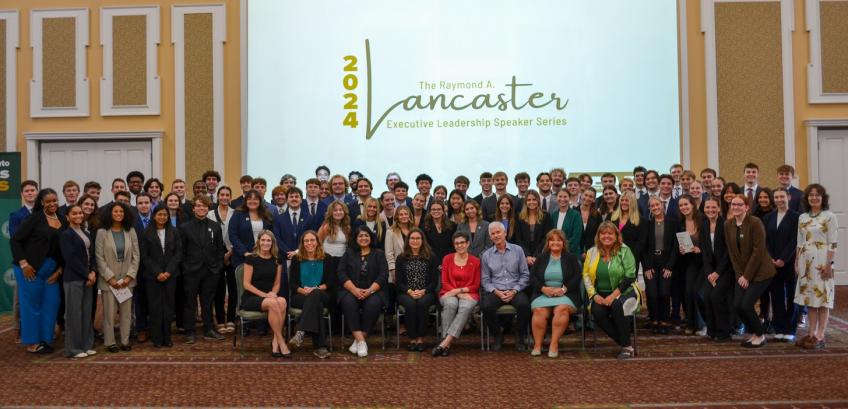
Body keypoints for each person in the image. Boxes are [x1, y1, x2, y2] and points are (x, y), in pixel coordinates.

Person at [11, 188, 66, 353]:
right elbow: (15, 240)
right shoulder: (34, 219)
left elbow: (64, 249)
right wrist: (23, 264)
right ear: (41, 203)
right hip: (30, 269)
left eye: (54, 200)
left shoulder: (64, 220)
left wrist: (59, 271)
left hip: (52, 271)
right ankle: (32, 342)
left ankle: (45, 339)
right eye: (48, 201)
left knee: (52, 303)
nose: (52, 204)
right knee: (31, 306)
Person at [583, 221, 639, 359]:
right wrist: (594, 295)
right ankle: (624, 342)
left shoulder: (624, 250)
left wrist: (613, 296)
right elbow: (585, 275)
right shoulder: (592, 252)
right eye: (603, 233)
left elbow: (630, 276)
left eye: (610, 233)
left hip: (624, 292)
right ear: (598, 236)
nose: (606, 236)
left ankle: (626, 346)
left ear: (616, 235)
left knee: (616, 306)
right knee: (597, 311)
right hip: (600, 294)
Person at [725, 194, 775, 348]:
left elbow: (758, 251)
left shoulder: (755, 222)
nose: (736, 207)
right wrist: (740, 275)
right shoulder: (728, 224)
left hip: (761, 272)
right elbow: (732, 253)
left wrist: (747, 276)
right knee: (737, 305)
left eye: (740, 204)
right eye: (733, 204)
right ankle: (755, 332)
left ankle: (760, 335)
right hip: (742, 274)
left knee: (746, 305)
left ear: (747, 207)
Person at [794, 184, 838, 350]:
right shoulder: (803, 217)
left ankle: (820, 335)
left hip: (822, 262)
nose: (814, 198)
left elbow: (833, 243)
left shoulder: (829, 216)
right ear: (807, 198)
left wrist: (829, 264)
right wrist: (797, 260)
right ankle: (811, 333)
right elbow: (799, 241)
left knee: (823, 299)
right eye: (811, 195)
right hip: (806, 262)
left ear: (823, 198)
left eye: (817, 195)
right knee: (810, 299)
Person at [179, 196, 227, 343]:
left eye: (205, 206)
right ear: (193, 208)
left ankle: (209, 330)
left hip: (210, 271)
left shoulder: (215, 226)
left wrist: (218, 266)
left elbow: (220, 249)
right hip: (191, 271)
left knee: (207, 302)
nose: (202, 208)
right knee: (189, 303)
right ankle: (190, 332)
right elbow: (181, 251)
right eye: (199, 206)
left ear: (208, 208)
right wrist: (186, 267)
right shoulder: (184, 227)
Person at [95, 201, 140, 352]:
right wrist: (110, 278)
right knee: (109, 313)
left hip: (127, 279)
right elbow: (99, 257)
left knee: (126, 313)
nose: (119, 214)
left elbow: (136, 256)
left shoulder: (130, 231)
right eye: (116, 212)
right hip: (109, 280)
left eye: (121, 212)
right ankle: (110, 342)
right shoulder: (102, 232)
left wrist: (129, 277)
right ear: (110, 214)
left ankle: (125, 341)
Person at [338, 226, 389, 358]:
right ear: (355, 238)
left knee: (373, 304)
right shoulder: (349, 253)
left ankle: (358, 340)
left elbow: (383, 275)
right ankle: (361, 341)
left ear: (371, 237)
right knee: (348, 303)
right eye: (360, 236)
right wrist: (354, 290)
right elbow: (341, 273)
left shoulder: (379, 253)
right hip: (351, 290)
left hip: (373, 290)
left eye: (366, 235)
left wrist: (370, 290)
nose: (363, 238)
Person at [529, 229, 581, 358]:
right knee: (539, 311)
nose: (555, 243)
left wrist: (563, 289)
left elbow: (577, 277)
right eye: (552, 240)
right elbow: (532, 277)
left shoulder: (571, 258)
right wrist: (543, 289)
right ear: (548, 242)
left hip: (566, 294)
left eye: (559, 240)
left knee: (561, 310)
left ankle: (554, 344)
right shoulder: (541, 258)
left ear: (563, 243)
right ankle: (538, 345)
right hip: (544, 294)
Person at [480, 221, 531, 352]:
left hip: (515, 289)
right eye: (493, 234)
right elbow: (485, 280)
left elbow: (525, 275)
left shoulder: (518, 250)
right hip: (497, 290)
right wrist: (496, 292)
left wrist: (514, 290)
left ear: (505, 233)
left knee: (524, 305)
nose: (496, 236)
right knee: (486, 306)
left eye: (498, 232)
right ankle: (497, 335)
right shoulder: (486, 255)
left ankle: (519, 335)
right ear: (490, 237)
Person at [240, 230, 291, 358]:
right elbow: (246, 285)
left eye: (268, 240)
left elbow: (277, 284)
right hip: (251, 297)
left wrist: (273, 293)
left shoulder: (277, 260)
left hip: (269, 296)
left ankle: (275, 343)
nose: (265, 243)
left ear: (272, 243)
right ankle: (281, 341)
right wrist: (265, 295)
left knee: (283, 301)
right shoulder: (251, 258)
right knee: (274, 303)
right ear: (258, 242)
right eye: (263, 240)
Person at [432, 231, 481, 357]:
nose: (460, 245)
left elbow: (475, 284)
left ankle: (445, 342)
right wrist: (457, 293)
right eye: (457, 243)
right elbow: (445, 282)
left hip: (469, 293)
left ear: (468, 244)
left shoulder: (475, 261)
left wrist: (460, 291)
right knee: (451, 304)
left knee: (466, 307)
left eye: (462, 243)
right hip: (448, 292)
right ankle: (446, 343)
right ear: (454, 245)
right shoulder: (447, 259)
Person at [139, 205, 182, 347]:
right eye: (159, 214)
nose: (162, 217)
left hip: (171, 275)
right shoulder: (146, 233)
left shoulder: (174, 232)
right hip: (153, 277)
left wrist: (168, 271)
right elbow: (145, 257)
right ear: (154, 216)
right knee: (155, 307)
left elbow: (178, 254)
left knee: (169, 307)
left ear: (168, 217)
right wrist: (158, 272)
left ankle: (167, 337)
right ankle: (157, 338)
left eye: (165, 215)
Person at [59, 205, 97, 358]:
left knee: (86, 313)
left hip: (89, 278)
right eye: (74, 213)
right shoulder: (66, 235)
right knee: (74, 314)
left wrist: (93, 271)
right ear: (67, 217)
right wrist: (87, 274)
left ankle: (86, 345)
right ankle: (74, 349)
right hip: (74, 278)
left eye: (80, 213)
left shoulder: (86, 233)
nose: (78, 215)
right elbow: (71, 259)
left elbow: (92, 255)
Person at [288, 231, 333, 359]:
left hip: (323, 293)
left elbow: (330, 282)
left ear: (318, 242)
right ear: (302, 243)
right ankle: (320, 347)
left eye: (312, 240)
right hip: (301, 296)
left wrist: (315, 289)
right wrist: (304, 291)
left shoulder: (327, 258)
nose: (309, 243)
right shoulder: (297, 259)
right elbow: (292, 284)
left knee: (317, 295)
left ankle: (301, 330)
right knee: (316, 305)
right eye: (306, 241)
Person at [763, 188, 799, 342]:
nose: (779, 199)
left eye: (782, 196)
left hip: (790, 263)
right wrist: (771, 258)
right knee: (776, 296)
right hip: (772, 264)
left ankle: (790, 328)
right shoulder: (768, 217)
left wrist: (783, 259)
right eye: (776, 197)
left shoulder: (797, 217)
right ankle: (779, 327)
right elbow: (765, 240)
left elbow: (795, 240)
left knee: (792, 296)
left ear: (788, 197)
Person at [395, 228, 439, 351]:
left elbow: (434, 281)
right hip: (405, 292)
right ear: (408, 241)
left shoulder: (431, 257)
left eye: (418, 238)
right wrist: (409, 291)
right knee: (410, 304)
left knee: (422, 303)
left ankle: (420, 339)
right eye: (412, 238)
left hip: (426, 292)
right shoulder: (401, 258)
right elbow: (399, 282)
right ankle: (412, 339)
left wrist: (423, 291)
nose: (415, 241)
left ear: (422, 240)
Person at [700, 198, 733, 341]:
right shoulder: (704, 225)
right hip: (710, 271)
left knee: (716, 296)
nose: (710, 210)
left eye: (713, 207)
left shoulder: (726, 224)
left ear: (719, 208)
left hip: (726, 269)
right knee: (706, 296)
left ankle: (723, 331)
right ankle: (712, 330)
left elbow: (728, 252)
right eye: (707, 207)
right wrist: (709, 273)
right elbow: (704, 252)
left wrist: (717, 273)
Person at [643, 196, 677, 334]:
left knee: (664, 292)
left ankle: (664, 320)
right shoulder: (647, 224)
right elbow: (644, 247)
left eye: (657, 204)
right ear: (650, 209)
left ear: (662, 205)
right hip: (650, 262)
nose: (655, 207)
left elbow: (676, 246)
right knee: (651, 293)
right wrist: (646, 266)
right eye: (652, 206)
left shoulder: (673, 222)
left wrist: (670, 266)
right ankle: (654, 319)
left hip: (666, 262)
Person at [675, 194, 705, 335]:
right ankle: (691, 322)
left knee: (697, 293)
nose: (683, 207)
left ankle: (701, 324)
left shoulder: (703, 220)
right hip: (687, 263)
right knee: (688, 292)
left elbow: (711, 243)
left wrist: (700, 250)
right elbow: (676, 244)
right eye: (681, 205)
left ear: (693, 204)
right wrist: (680, 249)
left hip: (704, 263)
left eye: (686, 204)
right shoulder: (679, 223)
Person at [208, 186, 236, 334]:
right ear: (218, 197)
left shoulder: (236, 213)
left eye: (227, 195)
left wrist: (230, 253)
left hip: (233, 254)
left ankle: (231, 319)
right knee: (218, 289)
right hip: (216, 256)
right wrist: (221, 255)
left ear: (230, 197)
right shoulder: (210, 214)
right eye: (222, 195)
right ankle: (219, 320)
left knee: (233, 289)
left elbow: (238, 234)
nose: (224, 197)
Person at [229, 190, 273, 269]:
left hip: (263, 256)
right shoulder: (238, 214)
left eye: (255, 199)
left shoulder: (267, 215)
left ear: (260, 201)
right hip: (243, 258)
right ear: (245, 201)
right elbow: (232, 235)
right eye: (249, 199)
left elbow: (271, 235)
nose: (252, 201)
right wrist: (244, 252)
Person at [610, 191, 646, 272]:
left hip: (631, 258)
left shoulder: (641, 220)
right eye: (622, 200)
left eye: (627, 200)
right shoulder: (611, 217)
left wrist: (630, 256)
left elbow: (641, 242)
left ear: (632, 202)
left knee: (628, 284)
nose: (624, 203)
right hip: (612, 256)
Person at [515, 190, 552, 267]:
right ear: (525, 202)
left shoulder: (546, 216)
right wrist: (527, 256)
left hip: (541, 254)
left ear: (538, 201)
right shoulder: (519, 217)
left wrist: (536, 256)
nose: (531, 202)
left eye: (534, 199)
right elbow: (518, 239)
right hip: (524, 256)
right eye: (529, 200)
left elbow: (546, 238)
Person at [550, 189, 583, 257]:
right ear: (556, 198)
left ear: (569, 198)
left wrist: (562, 249)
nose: (562, 199)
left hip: (571, 254)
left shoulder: (576, 215)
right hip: (555, 253)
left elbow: (576, 238)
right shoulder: (553, 215)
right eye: (560, 196)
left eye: (565, 197)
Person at [579, 188, 603, 260]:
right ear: (581, 195)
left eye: (590, 197)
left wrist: (591, 251)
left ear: (594, 199)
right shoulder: (574, 212)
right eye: (586, 195)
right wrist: (580, 252)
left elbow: (599, 234)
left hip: (593, 251)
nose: (587, 198)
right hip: (575, 252)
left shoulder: (597, 215)